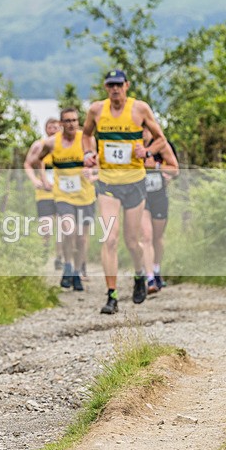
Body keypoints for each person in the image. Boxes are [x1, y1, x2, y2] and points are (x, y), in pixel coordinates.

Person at [82, 69, 167, 314]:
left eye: (119, 84)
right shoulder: (97, 110)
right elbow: (86, 135)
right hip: (107, 182)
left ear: (127, 85)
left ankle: (140, 274)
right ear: (105, 87)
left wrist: (148, 152)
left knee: (132, 241)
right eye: (111, 85)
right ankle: (112, 296)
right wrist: (88, 154)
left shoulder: (139, 109)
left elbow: (160, 138)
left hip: (134, 182)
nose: (115, 89)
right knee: (109, 238)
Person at [26, 108, 95, 291]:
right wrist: (39, 178)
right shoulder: (51, 143)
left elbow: (100, 163)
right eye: (67, 121)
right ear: (61, 124)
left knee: (81, 237)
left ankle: (78, 270)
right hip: (63, 195)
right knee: (68, 229)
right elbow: (35, 160)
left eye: (74, 120)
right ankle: (67, 266)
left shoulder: (87, 141)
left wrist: (92, 172)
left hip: (85, 195)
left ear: (78, 122)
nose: (71, 124)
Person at [141, 129, 179, 294]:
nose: (142, 132)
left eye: (145, 128)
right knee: (146, 236)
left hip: (159, 196)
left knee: (157, 237)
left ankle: (156, 269)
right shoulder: (133, 147)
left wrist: (156, 166)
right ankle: (149, 278)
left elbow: (175, 170)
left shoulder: (163, 145)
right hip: (140, 198)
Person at [24, 118, 63, 269]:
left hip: (62, 193)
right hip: (44, 193)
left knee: (62, 228)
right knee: (46, 227)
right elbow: (27, 163)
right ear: (46, 129)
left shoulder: (64, 146)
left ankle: (59, 257)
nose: (53, 130)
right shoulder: (39, 145)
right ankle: (44, 252)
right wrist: (35, 180)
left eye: (56, 127)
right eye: (50, 127)